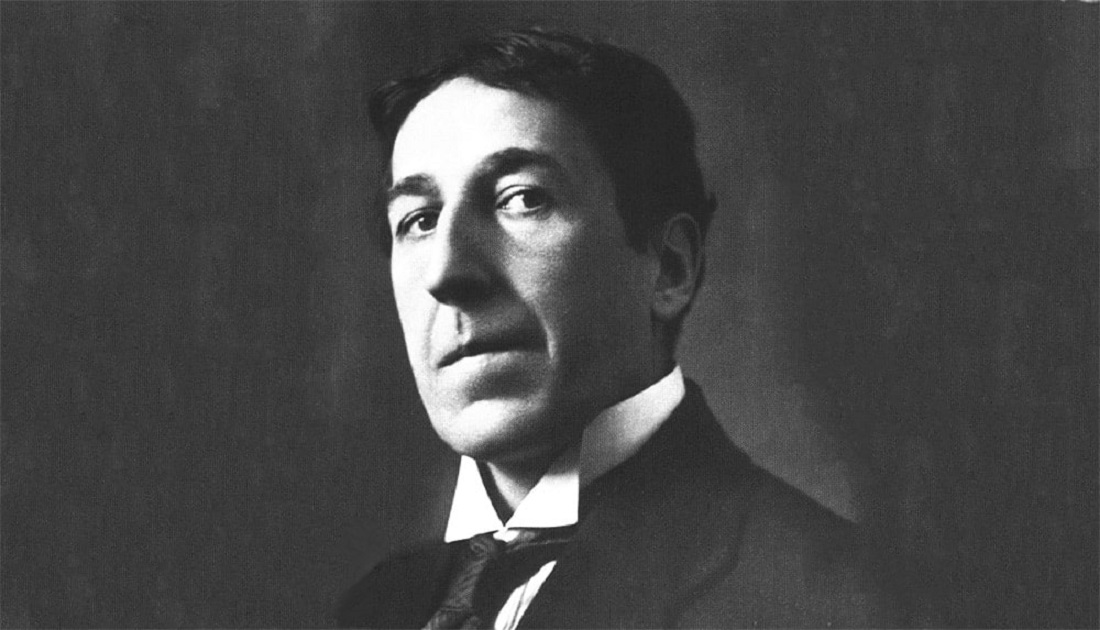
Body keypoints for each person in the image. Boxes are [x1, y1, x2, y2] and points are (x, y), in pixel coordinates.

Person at [337, 28, 905, 629]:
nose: (448, 273)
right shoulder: (376, 608)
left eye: (521, 199)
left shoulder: (840, 604)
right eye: (420, 220)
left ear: (670, 268)